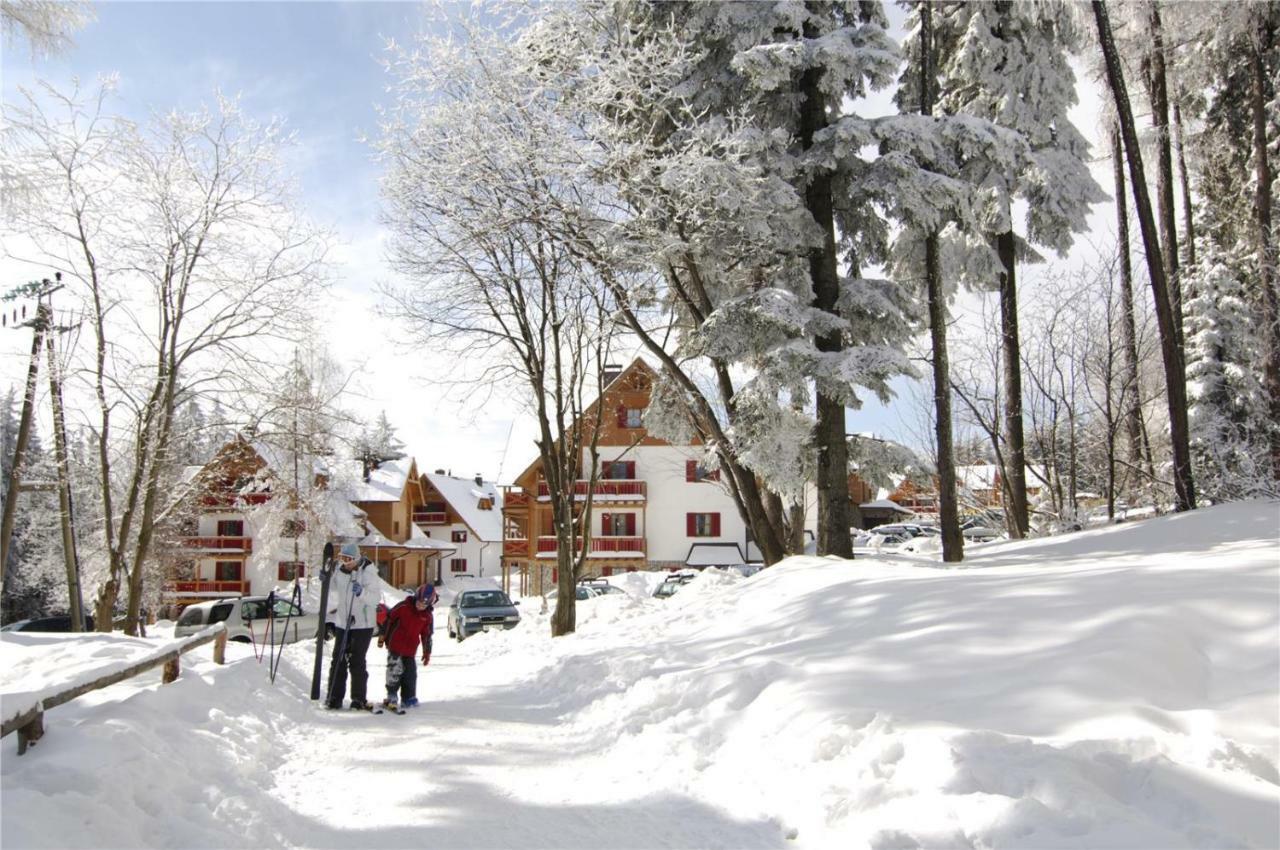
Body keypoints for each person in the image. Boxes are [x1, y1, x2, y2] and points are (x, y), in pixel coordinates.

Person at [325, 542, 379, 710]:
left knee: (356, 661)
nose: (345, 562)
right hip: (343, 622)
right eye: (342, 558)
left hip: (362, 624)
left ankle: (358, 698)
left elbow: (375, 599)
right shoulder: (340, 572)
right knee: (338, 659)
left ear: (356, 559)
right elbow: (333, 587)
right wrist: (324, 578)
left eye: (348, 559)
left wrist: (361, 592)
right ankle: (334, 697)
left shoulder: (368, 573)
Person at [377, 583, 435, 709]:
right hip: (395, 645)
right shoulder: (404, 606)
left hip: (410, 650)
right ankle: (392, 694)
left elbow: (427, 636)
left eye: (424, 605)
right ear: (415, 597)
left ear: (429, 605)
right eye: (419, 602)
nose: (420, 606)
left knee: (410, 674)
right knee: (394, 670)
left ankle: (408, 697)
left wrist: (427, 653)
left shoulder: (427, 617)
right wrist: (382, 636)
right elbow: (389, 618)